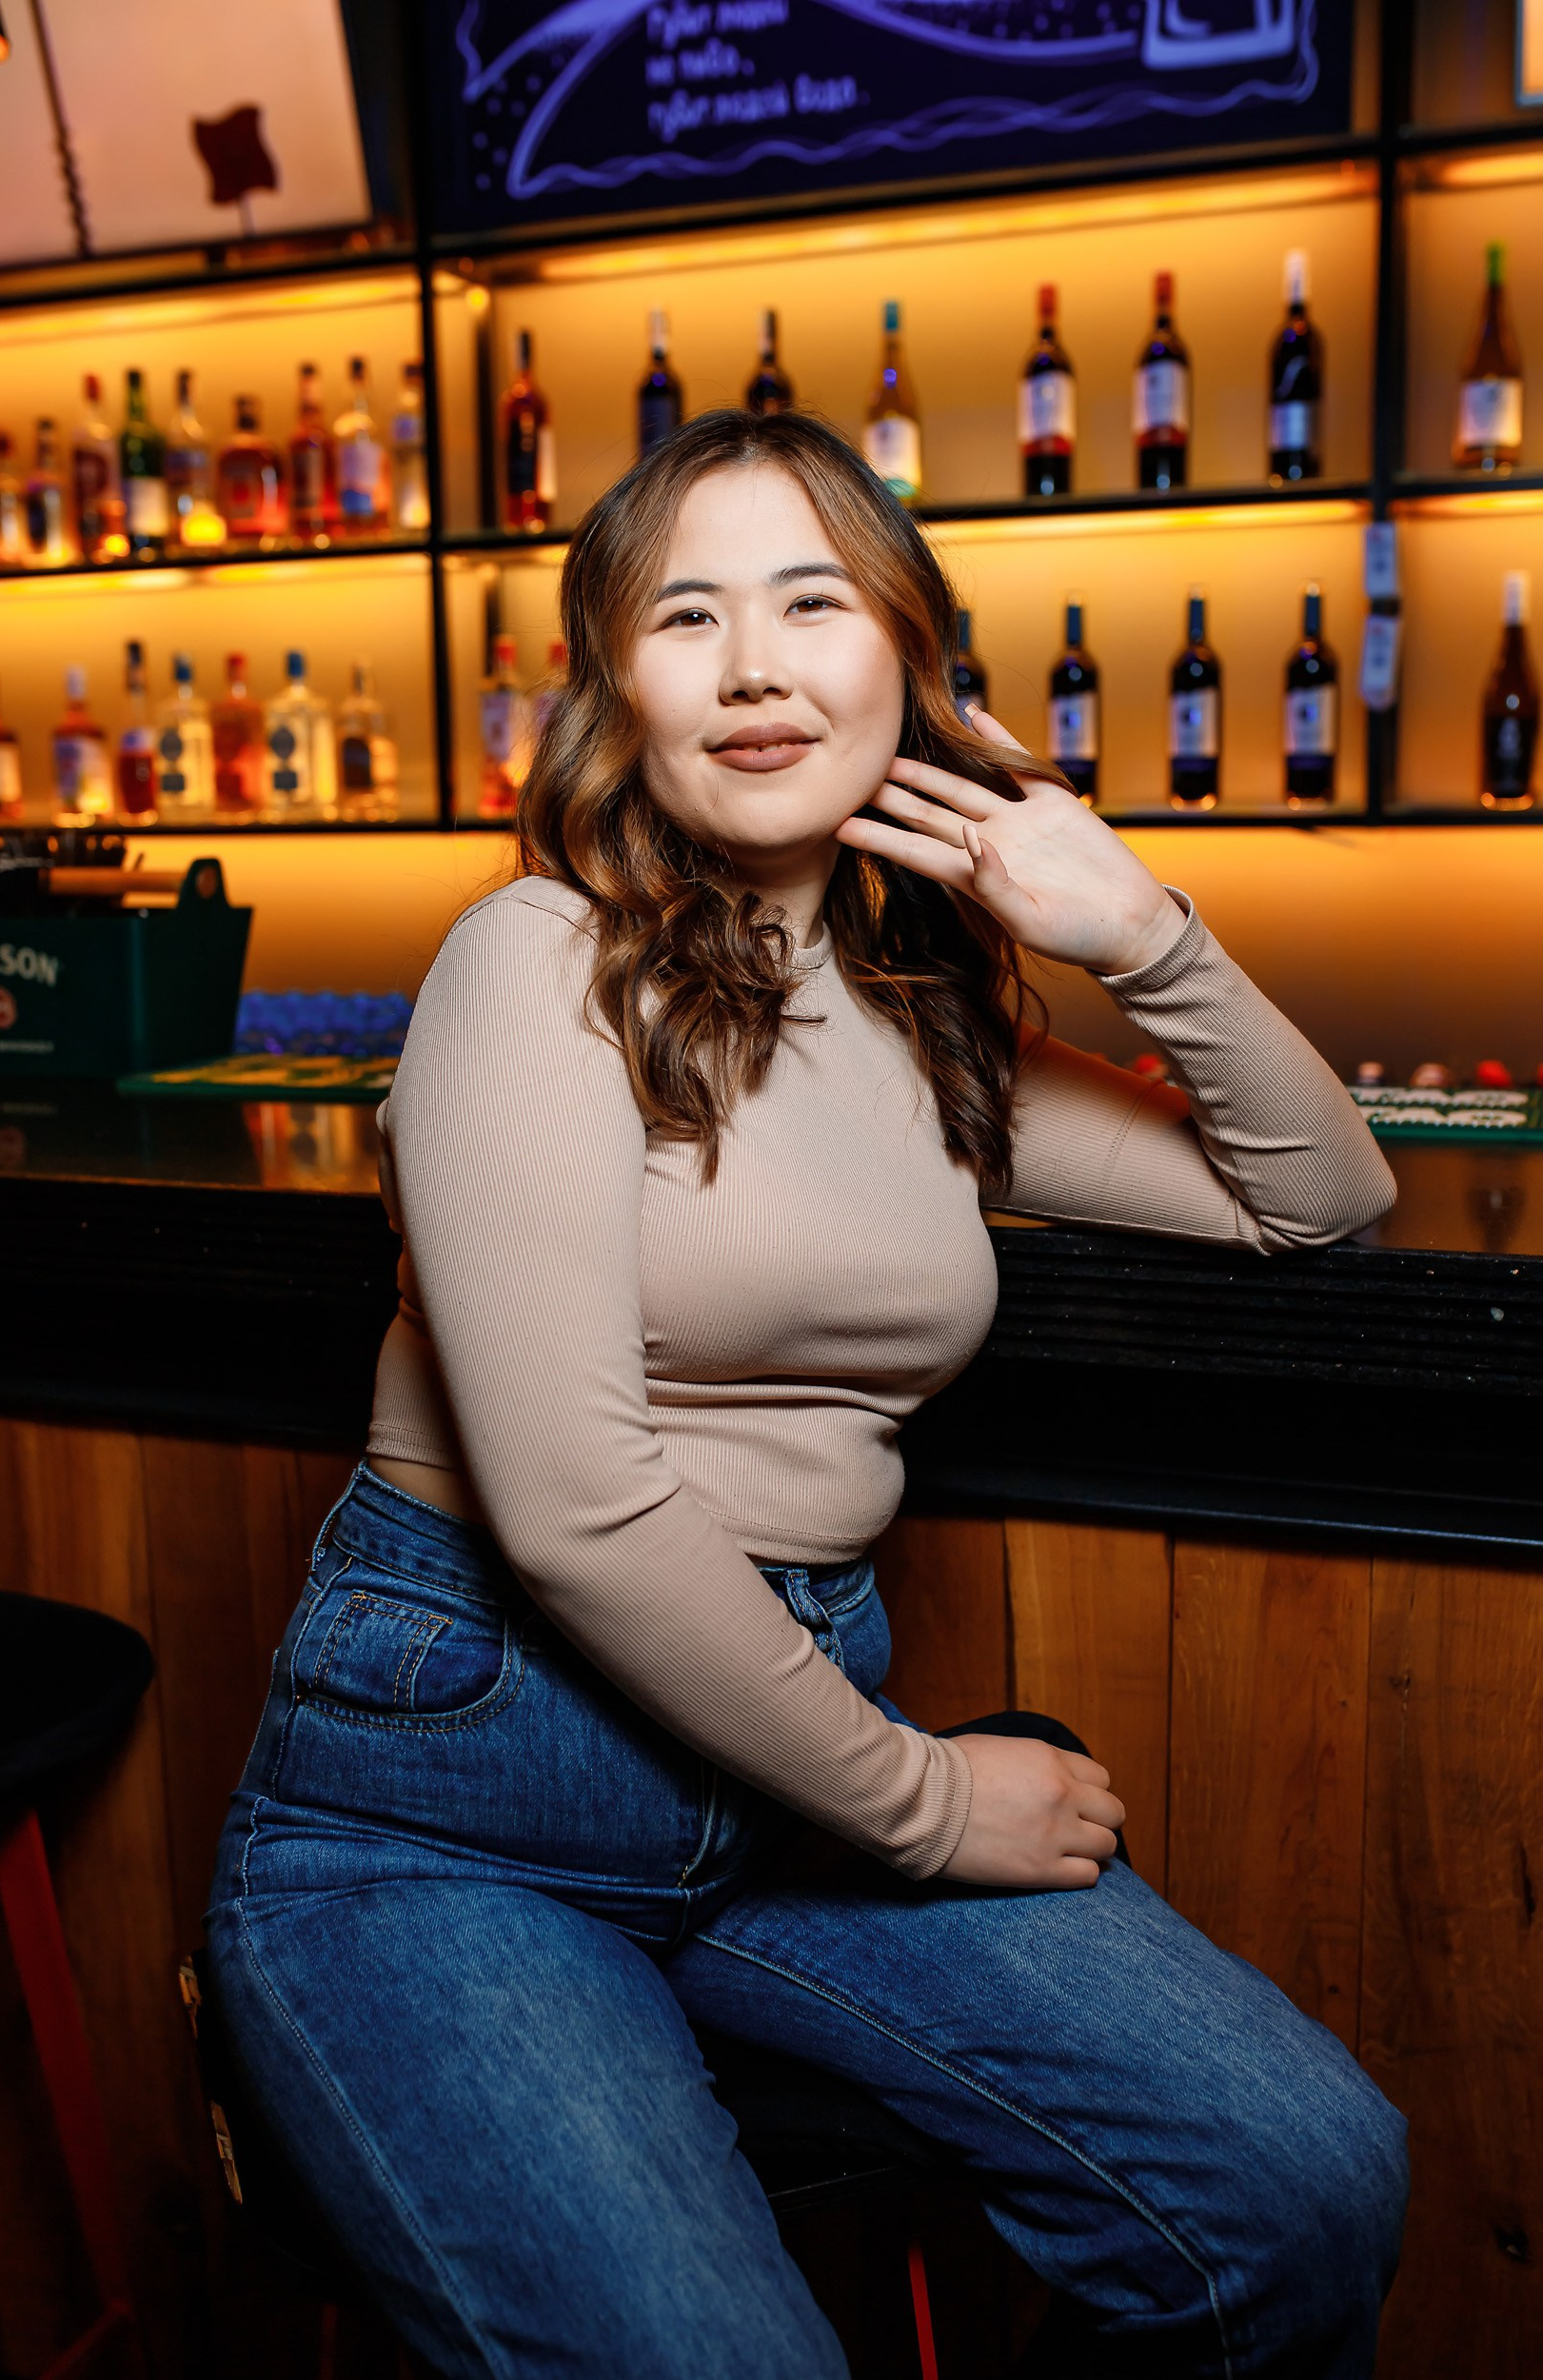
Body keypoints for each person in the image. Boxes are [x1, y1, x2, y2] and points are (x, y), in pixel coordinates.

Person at [207, 409, 1408, 2378]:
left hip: (778, 1775)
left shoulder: (928, 1027)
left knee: (1305, 2183)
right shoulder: (534, 960)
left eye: (812, 602)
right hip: (452, 1822)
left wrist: (1140, 933)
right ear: (617, 687)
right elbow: (577, 1507)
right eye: (688, 615)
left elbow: (1319, 1198)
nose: (756, 664)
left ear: (909, 664)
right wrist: (925, 1806)